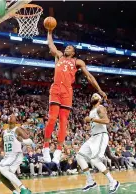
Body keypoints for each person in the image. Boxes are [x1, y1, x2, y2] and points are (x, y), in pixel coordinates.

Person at [43, 29, 107, 164]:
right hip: (56, 88)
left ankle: (59, 150)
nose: (67, 48)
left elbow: (89, 76)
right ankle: (45, 147)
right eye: (66, 47)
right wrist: (49, 32)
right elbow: (50, 45)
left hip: (67, 91)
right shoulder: (59, 56)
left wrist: (99, 90)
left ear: (74, 52)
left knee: (63, 121)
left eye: (70, 47)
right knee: (52, 118)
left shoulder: (78, 62)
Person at [76, 93, 120, 194]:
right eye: (91, 96)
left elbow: (106, 121)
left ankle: (113, 182)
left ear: (99, 100)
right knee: (79, 156)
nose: (93, 97)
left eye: (95, 96)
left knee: (95, 160)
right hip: (94, 137)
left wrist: (91, 119)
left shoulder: (100, 108)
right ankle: (90, 181)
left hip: (101, 136)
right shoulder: (91, 111)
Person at [0, 114, 33, 194]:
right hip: (7, 157)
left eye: (13, 116)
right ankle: (15, 192)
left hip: (16, 155)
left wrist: (22, 141)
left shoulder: (18, 129)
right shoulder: (4, 132)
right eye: (10, 116)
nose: (11, 116)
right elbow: (1, 148)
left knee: (3, 169)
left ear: (15, 120)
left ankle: (23, 189)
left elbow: (30, 141)